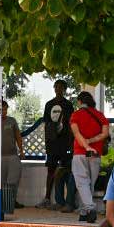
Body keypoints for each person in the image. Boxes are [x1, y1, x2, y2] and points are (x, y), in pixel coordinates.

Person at [70, 91, 110, 223]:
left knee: (82, 183)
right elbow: (104, 134)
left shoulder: (76, 115)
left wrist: (86, 146)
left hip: (80, 153)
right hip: (96, 154)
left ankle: (90, 208)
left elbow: (76, 133)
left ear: (80, 102)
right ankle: (84, 212)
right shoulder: (100, 115)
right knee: (90, 184)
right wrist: (92, 142)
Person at [39, 80, 74, 209]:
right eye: (57, 87)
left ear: (64, 89)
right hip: (52, 144)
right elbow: (46, 125)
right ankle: (47, 198)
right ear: (54, 88)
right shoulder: (49, 104)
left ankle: (65, 201)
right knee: (51, 171)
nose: (58, 89)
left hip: (65, 143)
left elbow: (71, 125)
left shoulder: (68, 105)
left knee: (66, 172)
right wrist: (47, 142)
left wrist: (71, 144)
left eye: (61, 87)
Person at [1, 111, 23, 218]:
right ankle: (3, 205)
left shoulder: (12, 121)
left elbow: (18, 136)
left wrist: (21, 150)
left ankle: (11, 202)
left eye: (5, 109)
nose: (4, 112)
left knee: (13, 181)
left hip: (12, 155)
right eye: (2, 109)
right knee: (1, 182)